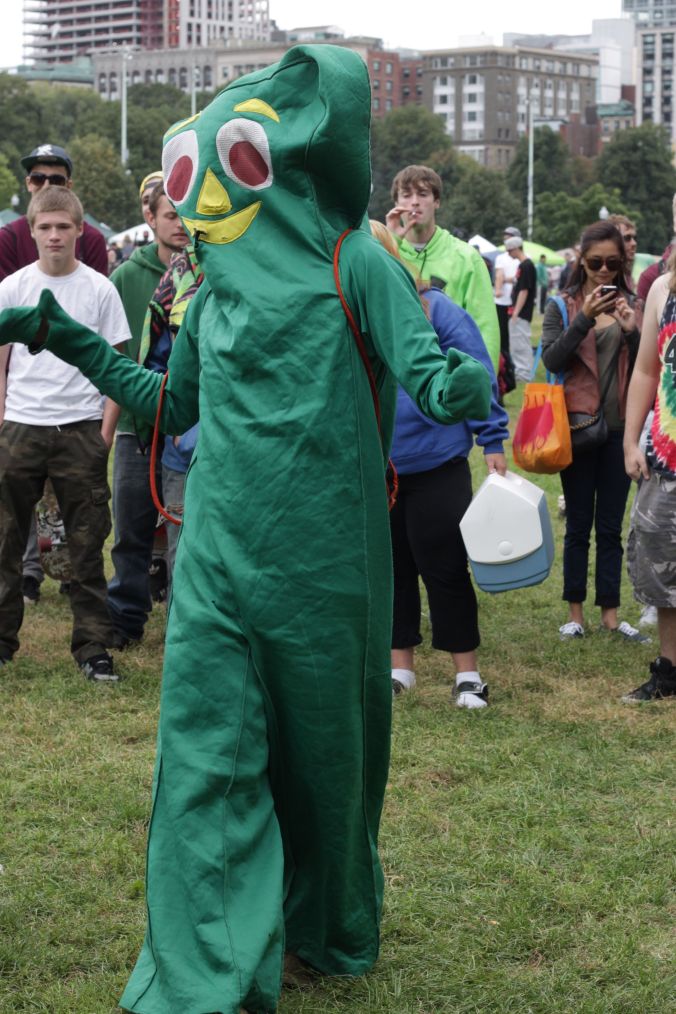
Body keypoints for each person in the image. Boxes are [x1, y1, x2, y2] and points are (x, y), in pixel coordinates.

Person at [0, 44, 492, 1014]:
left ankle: (329, 926)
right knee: (201, 757)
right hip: (218, 557)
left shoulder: (355, 258)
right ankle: (203, 974)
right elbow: (164, 402)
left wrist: (455, 385)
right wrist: (62, 336)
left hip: (324, 561)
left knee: (325, 761)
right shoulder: (210, 289)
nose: (195, 199)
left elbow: (424, 366)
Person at [0, 187, 129, 681]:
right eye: (45, 227)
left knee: (86, 546)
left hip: (79, 428)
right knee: (6, 541)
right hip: (21, 428)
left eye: (63, 227)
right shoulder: (13, 286)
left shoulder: (100, 289)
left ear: (80, 230)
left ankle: (94, 648)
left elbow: (117, 366)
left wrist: (106, 432)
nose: (54, 235)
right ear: (31, 231)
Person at [380, 233, 509, 709]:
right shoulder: (358, 313)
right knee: (392, 568)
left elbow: (474, 372)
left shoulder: (437, 309)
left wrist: (492, 436)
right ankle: (400, 668)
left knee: (446, 567)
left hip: (438, 461)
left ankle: (467, 675)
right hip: (379, 466)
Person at [0, 143, 109, 607]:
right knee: (8, 527)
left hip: (79, 416)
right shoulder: (9, 246)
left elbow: (107, 352)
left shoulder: (97, 263)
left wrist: (105, 426)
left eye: (55, 179)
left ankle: (90, 637)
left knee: (85, 534)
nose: (46, 184)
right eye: (37, 178)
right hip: (23, 412)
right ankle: (22, 589)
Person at [541, 220, 645, 642]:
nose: (604, 271)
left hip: (621, 430)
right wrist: (583, 319)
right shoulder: (562, 306)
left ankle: (610, 613)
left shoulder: (633, 304)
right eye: (596, 262)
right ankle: (575, 614)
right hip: (578, 426)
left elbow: (646, 367)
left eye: (613, 263)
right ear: (581, 260)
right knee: (579, 523)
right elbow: (552, 359)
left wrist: (631, 330)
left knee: (610, 527)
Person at [107, 179, 189, 649]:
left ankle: (184, 626)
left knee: (183, 533)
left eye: (185, 215)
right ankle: (124, 620)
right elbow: (116, 359)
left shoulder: (201, 273)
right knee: (131, 530)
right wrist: (111, 425)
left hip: (184, 430)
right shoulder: (126, 278)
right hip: (138, 426)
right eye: (170, 215)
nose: (179, 225)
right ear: (151, 220)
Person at [622, 252, 676, 701]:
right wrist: (630, 439)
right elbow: (646, 369)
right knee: (660, 565)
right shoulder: (663, 288)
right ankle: (669, 669)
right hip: (666, 456)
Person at [385, 165, 500, 370]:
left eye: (422, 194)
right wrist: (391, 242)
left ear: (436, 201)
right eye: (406, 195)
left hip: (452, 377)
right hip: (399, 378)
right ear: (396, 203)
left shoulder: (466, 258)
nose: (414, 202)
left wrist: (483, 385)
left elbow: (485, 328)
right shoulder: (384, 255)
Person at [506, 235, 537, 382]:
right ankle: (522, 371)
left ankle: (524, 373)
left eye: (510, 250)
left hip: (522, 312)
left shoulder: (527, 265)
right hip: (517, 311)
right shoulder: (523, 265)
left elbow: (524, 290)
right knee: (517, 341)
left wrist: (516, 312)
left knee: (521, 342)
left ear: (517, 248)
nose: (508, 253)